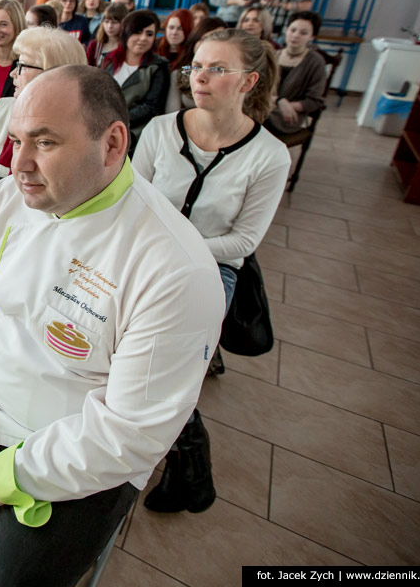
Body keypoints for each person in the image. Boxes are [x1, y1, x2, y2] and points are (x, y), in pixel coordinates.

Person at [0, 65, 225, 587]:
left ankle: (23, 547)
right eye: (15, 141)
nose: (19, 164)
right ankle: (9, 538)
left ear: (113, 143)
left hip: (76, 452)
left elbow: (130, 433)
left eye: (45, 142)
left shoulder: (174, 266)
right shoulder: (9, 198)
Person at [133, 28, 289, 513]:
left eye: (216, 69)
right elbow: (131, 202)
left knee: (159, 366)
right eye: (196, 66)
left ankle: (190, 462)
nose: (199, 77)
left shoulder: (269, 155)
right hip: (143, 254)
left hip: (210, 269)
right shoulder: (161, 130)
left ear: (249, 82)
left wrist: (178, 248)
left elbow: (243, 242)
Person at [0, 27, 86, 241]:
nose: (12, 73)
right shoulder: (4, 108)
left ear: (52, 72)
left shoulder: (72, 129)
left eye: (21, 66)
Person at [100, 10, 168, 147]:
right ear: (126, 33)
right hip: (100, 128)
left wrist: (115, 120)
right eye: (137, 32)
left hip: (133, 135)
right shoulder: (108, 59)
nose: (143, 38)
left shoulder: (158, 66)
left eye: (149, 34)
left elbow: (150, 107)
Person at [265, 11, 328, 136]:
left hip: (288, 116)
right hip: (266, 106)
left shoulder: (315, 62)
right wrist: (279, 101)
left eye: (303, 33)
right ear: (286, 30)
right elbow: (259, 88)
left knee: (251, 122)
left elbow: (314, 101)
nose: (296, 35)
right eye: (292, 30)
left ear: (312, 36)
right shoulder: (273, 55)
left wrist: (287, 106)